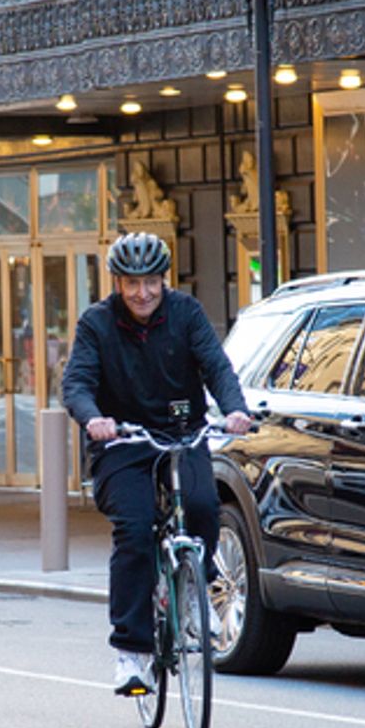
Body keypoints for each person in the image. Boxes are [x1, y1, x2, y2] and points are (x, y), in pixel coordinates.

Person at [61, 232, 252, 696]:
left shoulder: (185, 313)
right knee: (135, 527)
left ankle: (193, 585)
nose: (142, 293)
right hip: (123, 443)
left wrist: (234, 409)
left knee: (206, 506)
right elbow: (77, 383)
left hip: (181, 434)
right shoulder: (96, 324)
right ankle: (132, 653)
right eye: (131, 283)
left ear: (163, 281)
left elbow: (216, 366)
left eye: (150, 282)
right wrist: (94, 419)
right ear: (117, 283)